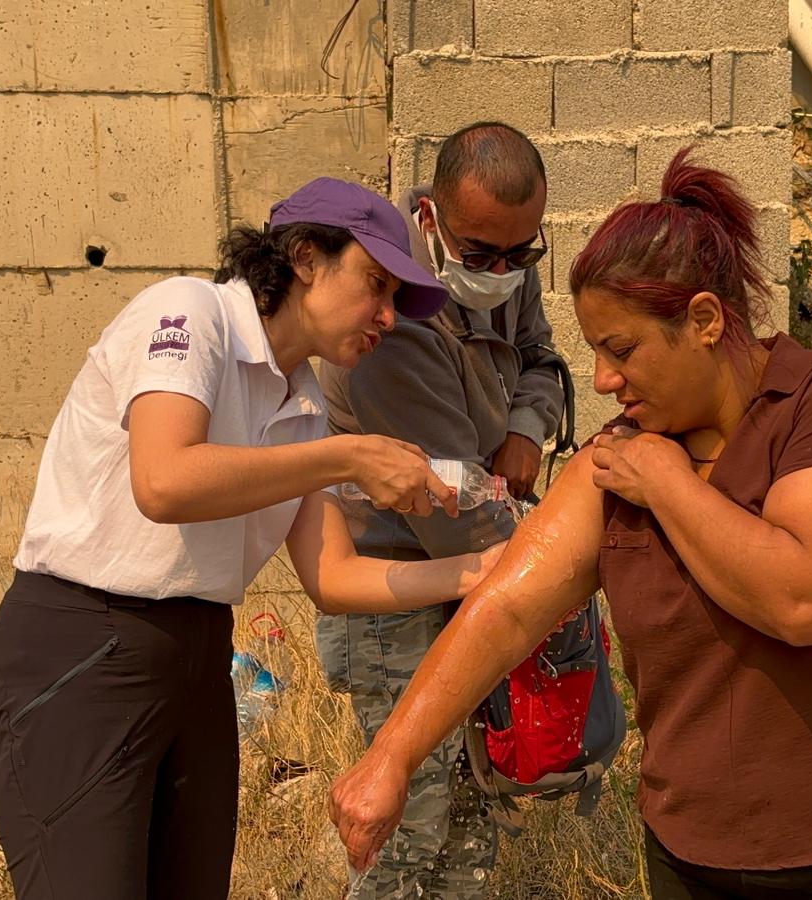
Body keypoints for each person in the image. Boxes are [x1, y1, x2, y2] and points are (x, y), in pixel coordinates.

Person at [328, 150, 812, 899]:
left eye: (622, 349)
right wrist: (391, 755)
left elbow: (804, 601)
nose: (605, 380)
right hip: (696, 861)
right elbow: (509, 608)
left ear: (705, 321)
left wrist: (671, 486)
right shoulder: (621, 460)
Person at [0, 177, 507, 900]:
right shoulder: (191, 315)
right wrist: (350, 456)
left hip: (197, 659)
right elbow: (164, 482)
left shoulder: (303, 402)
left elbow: (331, 577)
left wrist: (476, 573)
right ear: (305, 258)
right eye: (376, 285)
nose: (386, 317)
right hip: (85, 650)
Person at [313, 121, 564, 897]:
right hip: (401, 596)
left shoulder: (505, 264)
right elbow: (449, 501)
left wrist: (525, 430)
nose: (502, 273)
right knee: (408, 835)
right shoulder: (393, 322)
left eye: (520, 256)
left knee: (469, 829)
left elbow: (545, 362)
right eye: (482, 254)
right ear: (431, 219)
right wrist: (548, 572)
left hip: (472, 578)